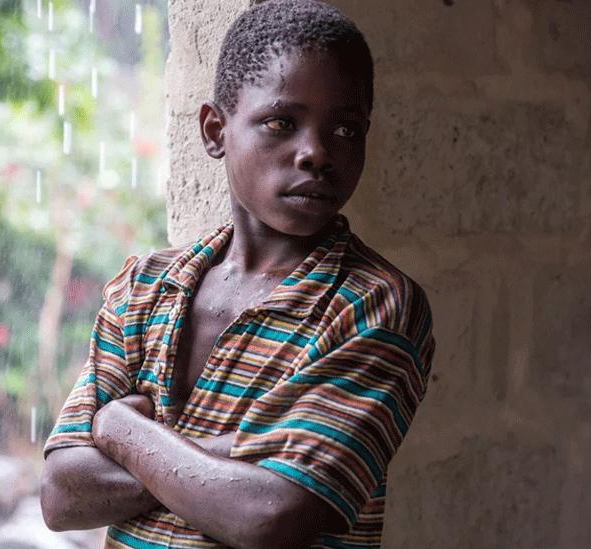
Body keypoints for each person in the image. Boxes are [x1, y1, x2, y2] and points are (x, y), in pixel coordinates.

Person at [40, 1, 436, 547]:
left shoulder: (373, 305)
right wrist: (235, 455)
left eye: (346, 129)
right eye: (281, 122)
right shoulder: (144, 286)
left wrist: (122, 429)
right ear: (214, 130)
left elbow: (269, 515)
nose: (316, 153)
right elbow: (63, 494)